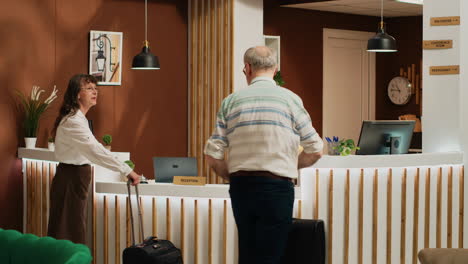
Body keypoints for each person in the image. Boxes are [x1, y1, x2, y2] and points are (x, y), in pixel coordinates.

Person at [204, 46, 323, 264]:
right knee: (271, 255)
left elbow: (213, 156)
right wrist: (287, 165)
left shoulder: (231, 101)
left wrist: (235, 176)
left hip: (242, 188)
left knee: (248, 255)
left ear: (247, 68)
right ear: (275, 69)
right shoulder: (290, 99)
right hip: (277, 186)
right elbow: (316, 149)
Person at [47, 74, 141, 244]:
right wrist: (127, 170)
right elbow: (96, 151)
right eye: (89, 88)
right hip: (71, 178)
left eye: (96, 88)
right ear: (77, 94)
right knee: (67, 232)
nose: (95, 92)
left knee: (70, 230)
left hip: (74, 177)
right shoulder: (73, 121)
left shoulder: (77, 119)